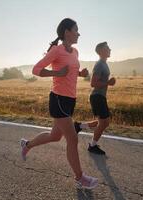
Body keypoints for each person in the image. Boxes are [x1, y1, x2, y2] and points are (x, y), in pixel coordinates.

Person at [20, 18, 98, 189]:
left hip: (70, 100)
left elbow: (70, 71)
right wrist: (57, 72)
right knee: (72, 138)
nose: (79, 33)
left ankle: (27, 145)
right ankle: (80, 178)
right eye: (76, 30)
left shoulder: (75, 52)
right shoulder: (57, 50)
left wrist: (80, 73)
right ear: (67, 32)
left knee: (55, 136)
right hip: (58, 100)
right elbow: (36, 69)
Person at [87, 42, 116, 155]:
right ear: (101, 51)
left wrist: (107, 83)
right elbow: (93, 83)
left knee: (103, 122)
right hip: (97, 96)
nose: (110, 49)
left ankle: (79, 126)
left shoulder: (104, 63)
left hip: (99, 96)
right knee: (104, 123)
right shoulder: (100, 64)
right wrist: (108, 82)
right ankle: (92, 146)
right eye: (107, 48)